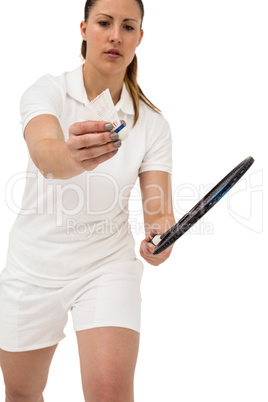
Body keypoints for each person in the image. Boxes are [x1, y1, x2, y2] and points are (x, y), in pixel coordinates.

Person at [0, 0, 175, 400]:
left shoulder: (153, 124)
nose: (115, 35)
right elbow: (46, 156)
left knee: (110, 391)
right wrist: (73, 155)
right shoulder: (47, 91)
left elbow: (159, 208)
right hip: (33, 267)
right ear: (83, 29)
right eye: (104, 22)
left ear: (139, 38)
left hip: (106, 266)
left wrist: (160, 235)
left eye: (128, 26)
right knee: (22, 392)